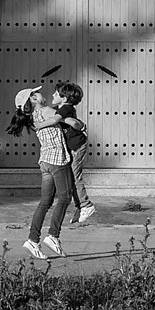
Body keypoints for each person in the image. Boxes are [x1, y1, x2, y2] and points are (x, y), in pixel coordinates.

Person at [17, 84, 75, 259]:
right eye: (37, 93)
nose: (43, 94)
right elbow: (70, 121)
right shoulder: (48, 111)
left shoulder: (32, 116)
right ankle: (53, 236)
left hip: (45, 161)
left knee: (45, 202)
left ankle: (33, 240)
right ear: (34, 99)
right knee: (65, 197)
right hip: (57, 160)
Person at [52, 82, 95, 223]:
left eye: (56, 94)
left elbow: (56, 119)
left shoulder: (65, 108)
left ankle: (86, 205)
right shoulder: (61, 108)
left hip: (77, 146)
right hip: (72, 146)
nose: (53, 95)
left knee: (76, 177)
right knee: (71, 177)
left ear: (64, 99)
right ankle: (80, 206)